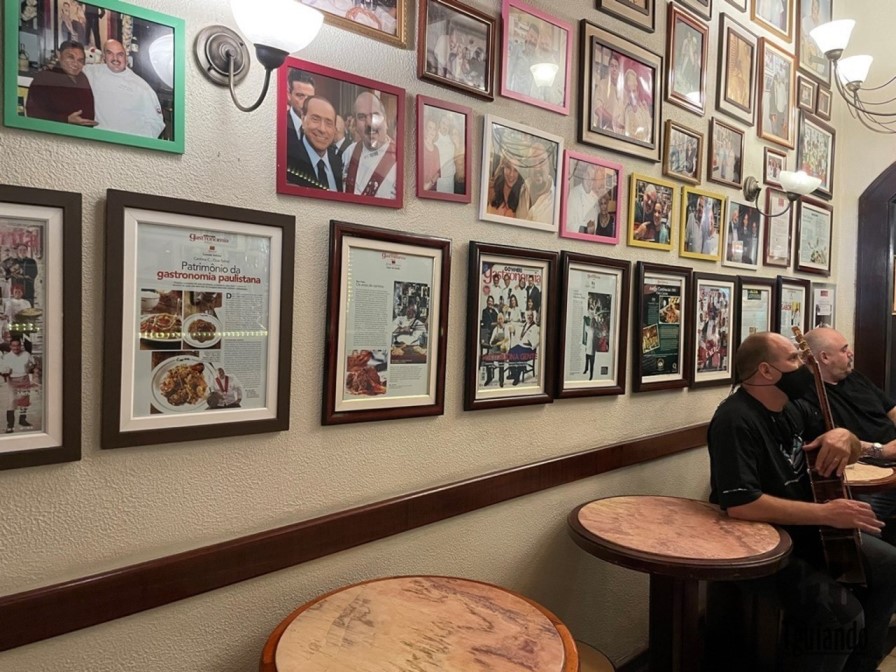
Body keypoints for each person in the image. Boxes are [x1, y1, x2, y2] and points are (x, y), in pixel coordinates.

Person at [708, 331, 896, 672]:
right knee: (842, 615)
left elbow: (848, 445)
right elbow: (742, 504)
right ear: (766, 371)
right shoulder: (735, 419)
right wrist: (827, 513)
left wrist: (845, 436)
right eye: (794, 359)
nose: (804, 366)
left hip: (806, 530)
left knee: (889, 565)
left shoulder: (793, 409)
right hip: (763, 542)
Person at [800, 327, 896, 531]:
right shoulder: (806, 396)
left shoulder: (854, 378)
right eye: (844, 350)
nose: (851, 353)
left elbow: (892, 410)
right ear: (824, 358)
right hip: (867, 474)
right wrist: (881, 451)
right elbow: (829, 443)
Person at [83, 39, 165, 138]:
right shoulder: (91, 72)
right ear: (104, 56)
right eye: (110, 53)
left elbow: (156, 123)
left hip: (126, 143)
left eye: (120, 55)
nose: (115, 58)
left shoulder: (142, 88)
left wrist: (135, 142)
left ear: (126, 57)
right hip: (97, 140)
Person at [25, 40, 96, 127]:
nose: (75, 64)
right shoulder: (45, 78)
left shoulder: (82, 78)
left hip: (82, 133)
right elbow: (33, 113)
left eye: (80, 60)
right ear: (59, 55)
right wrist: (66, 119)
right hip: (54, 132)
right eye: (70, 58)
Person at [343, 91, 397, 199]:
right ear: (355, 124)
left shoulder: (400, 160)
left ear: (385, 120)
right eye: (362, 117)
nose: (369, 123)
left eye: (375, 115)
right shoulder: (349, 153)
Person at [285, 96, 343, 191]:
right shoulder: (288, 160)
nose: (322, 129)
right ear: (303, 120)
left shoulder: (340, 164)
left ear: (334, 129)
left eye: (329, 123)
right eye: (315, 119)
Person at [1, 337, 36, 433]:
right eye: (13, 346)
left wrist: (31, 367)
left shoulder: (26, 354)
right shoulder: (6, 357)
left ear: (20, 346)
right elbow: (2, 370)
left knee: (24, 401)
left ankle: (22, 420)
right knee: (11, 402)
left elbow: (33, 365)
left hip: (24, 379)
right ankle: (10, 425)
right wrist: (4, 373)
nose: (16, 348)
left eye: (17, 345)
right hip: (12, 380)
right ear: (10, 346)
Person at [505, 21, 539, 98]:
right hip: (515, 95)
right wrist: (507, 94)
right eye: (531, 36)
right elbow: (509, 72)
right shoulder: (517, 49)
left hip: (529, 98)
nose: (532, 40)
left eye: (535, 39)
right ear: (527, 35)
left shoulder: (536, 58)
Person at [525, 142, 555, 225]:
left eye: (542, 161)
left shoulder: (557, 202)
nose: (537, 167)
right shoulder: (522, 190)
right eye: (532, 161)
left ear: (549, 163)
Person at [507, 310, 539, 386]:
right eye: (528, 315)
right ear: (525, 316)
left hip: (529, 349)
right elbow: (519, 333)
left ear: (533, 316)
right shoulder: (525, 324)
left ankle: (517, 377)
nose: (529, 317)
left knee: (520, 355)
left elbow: (537, 341)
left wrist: (530, 343)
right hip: (522, 345)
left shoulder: (535, 327)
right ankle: (513, 373)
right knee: (510, 351)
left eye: (531, 315)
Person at [592, 53, 622, 134]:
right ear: (608, 68)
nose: (614, 69)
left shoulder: (622, 90)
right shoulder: (603, 84)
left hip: (619, 134)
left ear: (619, 70)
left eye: (616, 67)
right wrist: (614, 121)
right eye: (612, 66)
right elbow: (598, 109)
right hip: (605, 132)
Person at [285, 70, 314, 147]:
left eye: (310, 98)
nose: (306, 102)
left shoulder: (320, 127)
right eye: (300, 95)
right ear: (289, 95)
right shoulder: (281, 122)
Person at [434, 114, 456, 193]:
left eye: (447, 125)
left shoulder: (451, 138)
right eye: (443, 123)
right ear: (439, 123)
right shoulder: (435, 137)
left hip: (451, 177)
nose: (445, 126)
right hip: (440, 178)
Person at [420, 118, 440, 191]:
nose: (432, 131)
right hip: (419, 187)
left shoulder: (436, 149)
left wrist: (430, 183)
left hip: (432, 188)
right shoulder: (420, 145)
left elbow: (438, 172)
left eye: (434, 129)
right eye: (430, 128)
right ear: (425, 129)